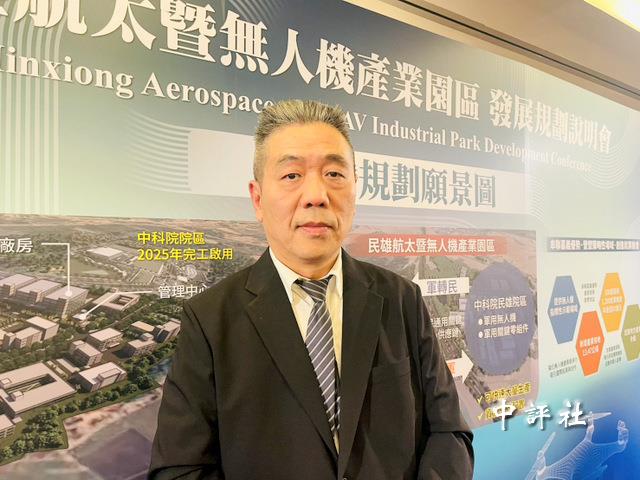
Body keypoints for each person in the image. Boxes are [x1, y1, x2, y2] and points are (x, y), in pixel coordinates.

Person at [149, 99, 473, 480]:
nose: (316, 195)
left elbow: (449, 431)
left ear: (354, 189)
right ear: (257, 199)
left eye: (334, 173)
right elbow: (180, 470)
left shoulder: (401, 299)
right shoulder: (209, 321)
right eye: (292, 175)